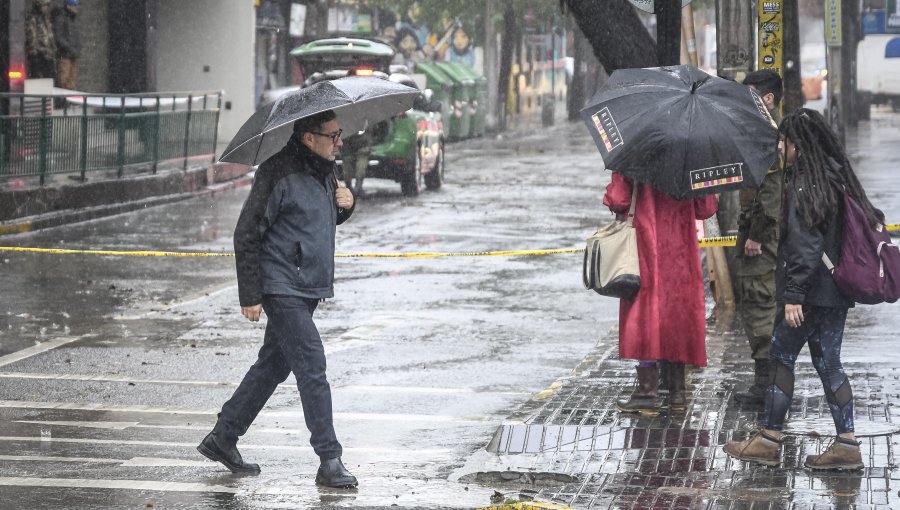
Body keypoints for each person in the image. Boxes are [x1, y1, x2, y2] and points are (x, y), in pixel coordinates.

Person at [198, 110, 359, 488]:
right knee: (312, 364)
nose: (339, 142)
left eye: (340, 135)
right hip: (281, 285)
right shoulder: (278, 171)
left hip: (306, 286)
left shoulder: (325, 170)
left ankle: (224, 437)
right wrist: (251, 294)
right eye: (332, 135)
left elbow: (315, 221)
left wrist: (346, 207)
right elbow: (247, 233)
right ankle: (329, 459)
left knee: (274, 364)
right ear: (307, 137)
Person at [724, 109, 884, 470]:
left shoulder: (804, 183)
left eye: (784, 141)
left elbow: (806, 244)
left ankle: (769, 439)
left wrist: (794, 294)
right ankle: (846, 443)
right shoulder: (833, 176)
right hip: (834, 291)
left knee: (781, 355)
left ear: (797, 144)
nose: (781, 147)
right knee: (829, 363)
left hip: (810, 293)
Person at [604, 172, 718, 415]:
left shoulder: (634, 156)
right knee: (676, 313)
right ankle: (678, 392)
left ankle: (647, 391)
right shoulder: (692, 158)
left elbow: (618, 200)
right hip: (681, 252)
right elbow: (706, 207)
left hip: (646, 247)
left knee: (645, 314)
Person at [733, 70, 784, 406]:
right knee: (759, 302)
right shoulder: (764, 132)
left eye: (752, 96)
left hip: (762, 239)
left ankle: (767, 386)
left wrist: (757, 236)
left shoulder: (770, 135)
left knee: (760, 303)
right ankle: (767, 383)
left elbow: (772, 194)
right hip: (759, 232)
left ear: (767, 99)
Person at [52, 0, 80, 90]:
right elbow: (58, 37)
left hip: (72, 54)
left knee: (71, 81)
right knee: (64, 80)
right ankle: (63, 102)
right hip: (64, 55)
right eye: (75, 5)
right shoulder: (61, 18)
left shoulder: (71, 19)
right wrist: (69, 48)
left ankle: (69, 101)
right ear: (68, 6)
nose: (77, 8)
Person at [25, 0, 56, 80]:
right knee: (37, 79)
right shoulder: (32, 18)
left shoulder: (45, 18)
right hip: (39, 55)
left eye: (47, 5)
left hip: (47, 55)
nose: (46, 8)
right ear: (38, 5)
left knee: (49, 79)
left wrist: (53, 50)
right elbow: (32, 37)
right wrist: (34, 53)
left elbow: (49, 36)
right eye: (44, 5)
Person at [340, 130, 372, 197]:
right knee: (347, 170)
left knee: (361, 168)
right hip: (348, 147)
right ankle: (349, 187)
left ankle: (358, 187)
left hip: (362, 146)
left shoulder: (362, 122)